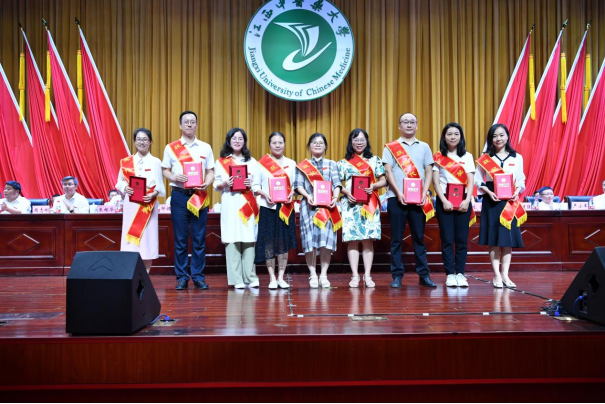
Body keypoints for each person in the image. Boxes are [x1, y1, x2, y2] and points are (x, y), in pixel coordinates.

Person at [162, 111, 215, 291]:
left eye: (193, 122)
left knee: (199, 238)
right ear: (180, 125)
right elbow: (165, 170)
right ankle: (182, 277)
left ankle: (198, 277)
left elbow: (210, 171)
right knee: (180, 239)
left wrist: (207, 183)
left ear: (197, 125)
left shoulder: (205, 147)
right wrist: (174, 176)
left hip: (199, 195)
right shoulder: (171, 147)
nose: (190, 124)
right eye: (186, 122)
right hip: (179, 196)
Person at [383, 113, 437, 288]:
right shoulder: (391, 147)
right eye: (405, 122)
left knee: (419, 238)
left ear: (417, 125)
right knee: (396, 239)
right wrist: (398, 192)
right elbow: (388, 171)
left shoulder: (424, 146)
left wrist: (424, 193)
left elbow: (429, 171)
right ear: (399, 126)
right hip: (396, 198)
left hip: (418, 200)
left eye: (412, 122)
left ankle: (424, 275)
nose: (408, 125)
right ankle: (397, 276)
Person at [475, 123, 526, 289]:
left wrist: (517, 191)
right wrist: (488, 192)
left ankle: (505, 274)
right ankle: (496, 274)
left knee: (507, 240)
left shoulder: (517, 157)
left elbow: (521, 180)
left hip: (509, 201)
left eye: (501, 135)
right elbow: (478, 180)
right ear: (490, 139)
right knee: (494, 239)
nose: (498, 139)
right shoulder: (485, 158)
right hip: (492, 200)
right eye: (494, 136)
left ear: (507, 136)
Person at [337, 129, 386, 288]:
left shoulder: (375, 160)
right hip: (351, 204)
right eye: (356, 139)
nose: (359, 142)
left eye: (362, 139)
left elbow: (383, 180)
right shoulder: (343, 162)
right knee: (352, 240)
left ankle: (368, 275)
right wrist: (346, 192)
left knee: (367, 240)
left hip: (369, 204)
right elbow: (336, 183)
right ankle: (354, 276)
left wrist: (374, 186)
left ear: (367, 141)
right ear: (351, 142)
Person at [294, 133, 342, 288]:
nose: (318, 145)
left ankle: (324, 275)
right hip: (309, 207)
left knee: (325, 241)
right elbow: (298, 185)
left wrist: (335, 197)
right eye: (314, 142)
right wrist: (307, 196)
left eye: (321, 142)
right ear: (309, 146)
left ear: (325, 146)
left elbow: (337, 184)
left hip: (327, 208)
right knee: (309, 241)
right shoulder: (303, 165)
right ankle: (313, 274)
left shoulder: (332, 164)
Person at [214, 128, 259, 289]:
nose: (237, 141)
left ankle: (250, 277)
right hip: (230, 203)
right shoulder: (221, 162)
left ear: (244, 141)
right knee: (232, 238)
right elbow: (216, 185)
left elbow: (257, 185)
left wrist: (251, 184)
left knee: (248, 238)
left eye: (240, 138)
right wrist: (225, 183)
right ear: (229, 141)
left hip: (248, 204)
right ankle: (236, 279)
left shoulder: (252, 162)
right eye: (234, 138)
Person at [116, 128, 165, 274]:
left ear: (150, 142)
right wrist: (125, 187)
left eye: (145, 139)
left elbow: (160, 185)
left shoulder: (156, 162)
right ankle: (131, 274)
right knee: (131, 240)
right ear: (134, 141)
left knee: (147, 239)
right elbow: (119, 182)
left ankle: (146, 275)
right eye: (138, 139)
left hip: (148, 204)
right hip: (131, 204)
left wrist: (153, 194)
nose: (141, 142)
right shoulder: (126, 162)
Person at [252, 132, 297, 289]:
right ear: (269, 145)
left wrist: (292, 193)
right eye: (274, 143)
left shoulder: (291, 163)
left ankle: (281, 277)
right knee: (269, 243)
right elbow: (255, 186)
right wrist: (265, 194)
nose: (278, 145)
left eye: (280, 142)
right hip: (268, 208)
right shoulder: (261, 164)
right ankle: (271, 277)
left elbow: (296, 185)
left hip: (285, 208)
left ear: (284, 144)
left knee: (283, 243)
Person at [432, 123, 475, 288]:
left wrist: (467, 200)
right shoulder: (438, 157)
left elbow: (470, 181)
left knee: (462, 240)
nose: (453, 137)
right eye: (449, 134)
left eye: (456, 134)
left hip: (463, 200)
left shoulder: (467, 156)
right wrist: (444, 200)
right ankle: (450, 274)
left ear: (461, 137)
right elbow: (436, 182)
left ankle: (460, 274)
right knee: (447, 239)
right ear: (444, 137)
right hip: (444, 200)